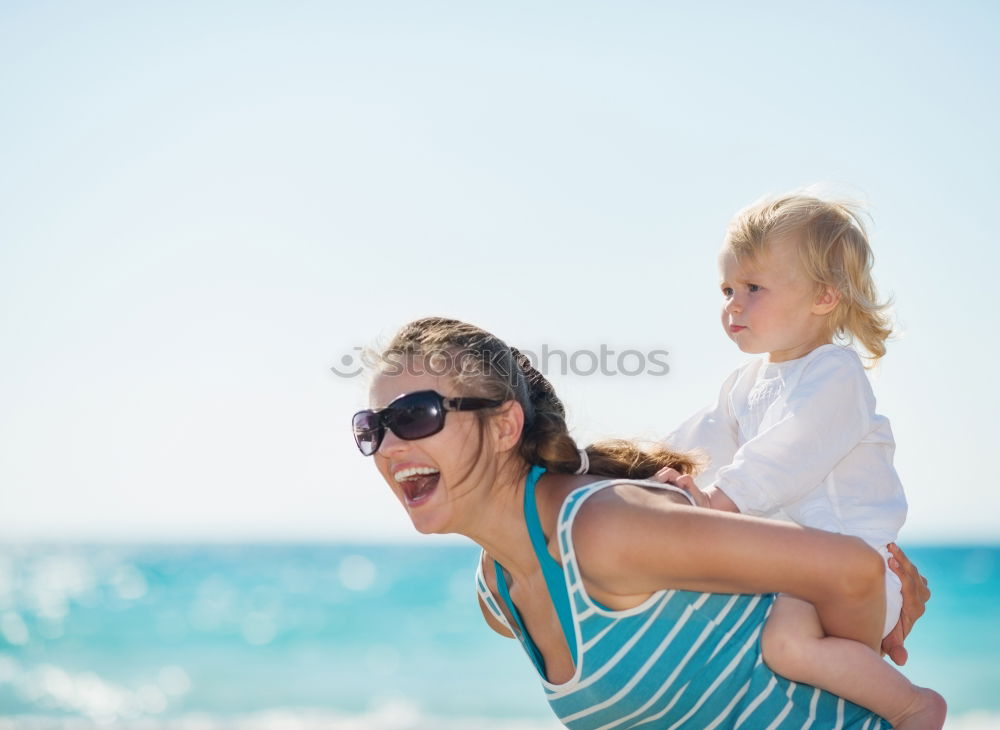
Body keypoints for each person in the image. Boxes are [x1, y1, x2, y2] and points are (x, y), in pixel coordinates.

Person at [352, 316, 936, 729]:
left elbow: (855, 570)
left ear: (505, 426)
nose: (389, 445)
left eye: (415, 414)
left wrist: (864, 651)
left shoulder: (605, 528)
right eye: (373, 426)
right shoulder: (500, 591)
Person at [660, 193, 944, 727]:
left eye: (753, 288)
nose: (733, 305)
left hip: (850, 569)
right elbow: (696, 443)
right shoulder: (744, 385)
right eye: (727, 289)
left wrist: (717, 504)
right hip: (794, 567)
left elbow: (787, 453)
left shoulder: (835, 374)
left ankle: (913, 706)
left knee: (786, 645)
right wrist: (634, 474)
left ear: (823, 297)